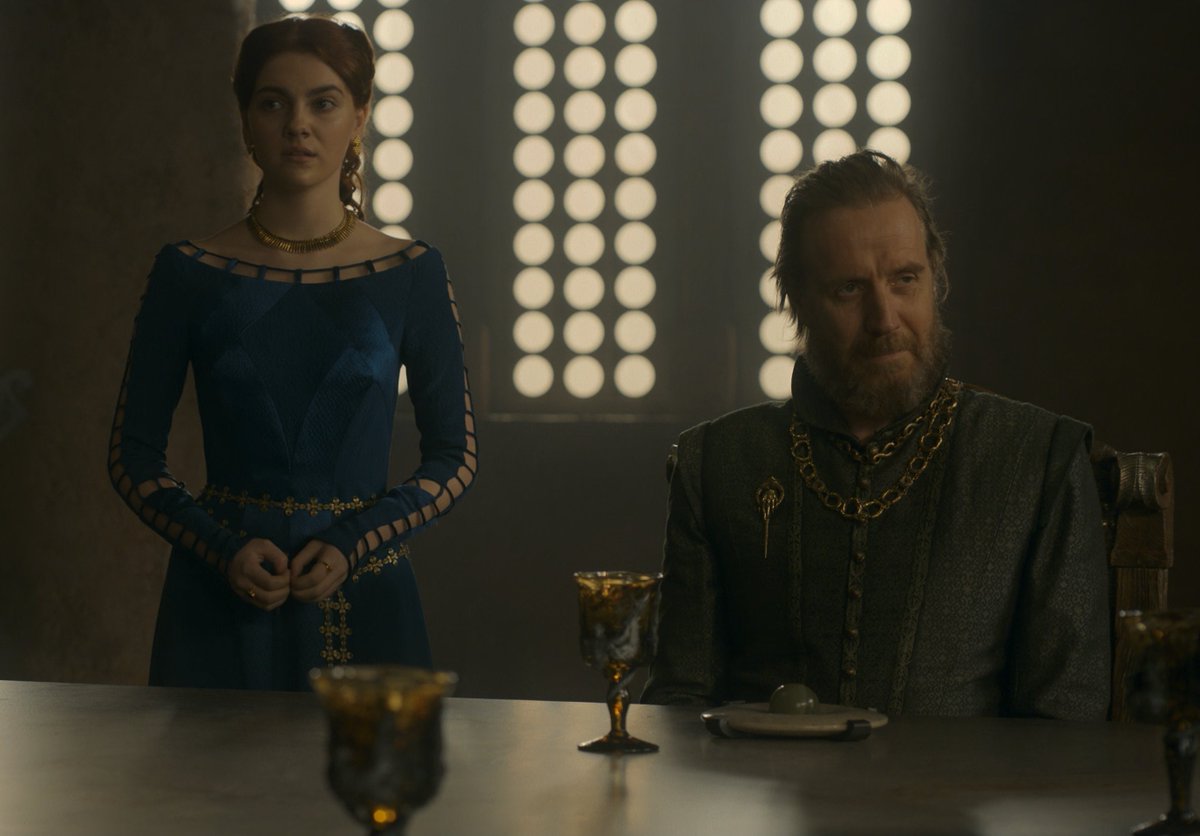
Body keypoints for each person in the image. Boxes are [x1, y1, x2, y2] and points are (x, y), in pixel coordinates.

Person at [642, 150, 1109, 720]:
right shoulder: (717, 461)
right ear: (796, 301)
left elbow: (1067, 726)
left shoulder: (1039, 459)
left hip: (963, 781)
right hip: (758, 780)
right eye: (848, 289)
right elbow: (678, 706)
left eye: (904, 279)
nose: (884, 318)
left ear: (935, 278)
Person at [107, 15, 477, 690]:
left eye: (323, 103)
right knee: (208, 763)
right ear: (246, 120)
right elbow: (133, 457)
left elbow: (454, 457)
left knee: (371, 761)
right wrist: (220, 547)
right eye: (273, 103)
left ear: (359, 116)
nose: (297, 125)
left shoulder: (412, 273)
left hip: (368, 593)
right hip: (217, 598)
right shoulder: (187, 272)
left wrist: (355, 541)